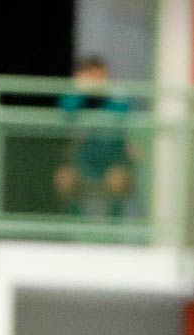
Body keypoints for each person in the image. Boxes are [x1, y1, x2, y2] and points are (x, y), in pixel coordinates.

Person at [54, 55, 134, 218]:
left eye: (102, 77)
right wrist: (81, 92)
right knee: (64, 180)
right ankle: (74, 225)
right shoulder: (74, 97)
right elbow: (66, 112)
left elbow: (121, 111)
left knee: (119, 180)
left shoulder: (115, 97)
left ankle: (114, 230)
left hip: (110, 161)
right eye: (94, 77)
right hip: (79, 161)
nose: (99, 82)